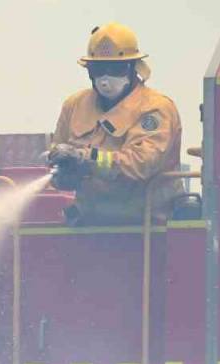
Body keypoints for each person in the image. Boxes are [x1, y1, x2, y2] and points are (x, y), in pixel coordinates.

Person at [47, 23, 183, 225]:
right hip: (90, 222)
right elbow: (57, 155)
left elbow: (141, 164)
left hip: (145, 224)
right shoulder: (74, 106)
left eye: (115, 69)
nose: (105, 77)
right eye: (98, 69)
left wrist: (86, 158)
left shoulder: (156, 109)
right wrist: (62, 173)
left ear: (133, 68)